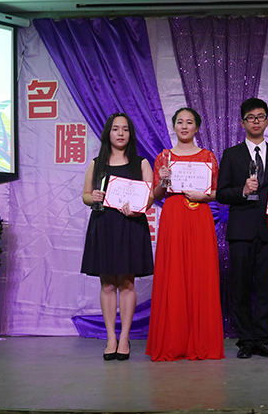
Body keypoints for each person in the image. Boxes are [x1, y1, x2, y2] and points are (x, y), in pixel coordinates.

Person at [146, 107, 225, 361]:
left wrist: (205, 196)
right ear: (174, 126)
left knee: (200, 273)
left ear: (197, 127)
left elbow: (216, 192)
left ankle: (202, 342)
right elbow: (157, 195)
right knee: (174, 272)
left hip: (200, 216)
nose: (184, 126)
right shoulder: (164, 157)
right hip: (173, 216)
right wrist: (163, 181)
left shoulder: (208, 156)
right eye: (179, 122)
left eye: (189, 122)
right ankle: (173, 340)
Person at [216, 98, 268, 359]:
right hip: (241, 231)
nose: (256, 121)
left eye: (260, 117)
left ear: (267, 121)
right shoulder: (231, 155)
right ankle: (245, 340)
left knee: (265, 287)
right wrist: (242, 191)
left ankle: (262, 340)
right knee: (241, 287)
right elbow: (221, 193)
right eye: (251, 117)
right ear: (242, 123)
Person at [81, 113, 154, 361]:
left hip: (131, 225)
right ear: (108, 133)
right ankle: (111, 338)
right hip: (104, 224)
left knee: (127, 282)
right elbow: (86, 195)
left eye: (125, 129)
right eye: (115, 129)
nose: (120, 133)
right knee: (107, 283)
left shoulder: (141, 163)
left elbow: (149, 196)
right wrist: (93, 197)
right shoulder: (96, 163)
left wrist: (138, 208)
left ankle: (124, 338)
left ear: (130, 134)